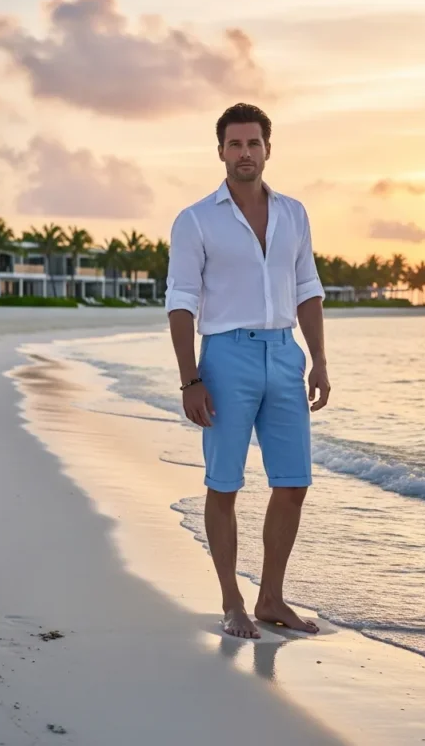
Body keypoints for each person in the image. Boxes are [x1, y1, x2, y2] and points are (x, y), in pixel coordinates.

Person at [165, 102, 331, 640]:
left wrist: (320, 360)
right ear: (220, 151)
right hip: (226, 357)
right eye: (234, 144)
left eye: (253, 143)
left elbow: (307, 288)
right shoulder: (195, 220)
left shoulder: (294, 214)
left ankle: (271, 597)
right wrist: (191, 379)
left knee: (293, 483)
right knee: (225, 484)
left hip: (285, 356)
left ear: (267, 148)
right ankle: (232, 601)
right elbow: (182, 302)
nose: (244, 153)